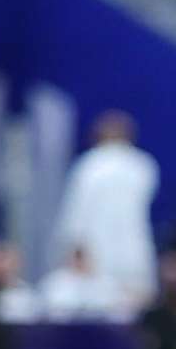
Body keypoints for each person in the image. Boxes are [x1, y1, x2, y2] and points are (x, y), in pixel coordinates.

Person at [56, 111, 158, 312]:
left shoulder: (89, 166)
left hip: (97, 250)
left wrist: (71, 246)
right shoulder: (144, 165)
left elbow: (76, 213)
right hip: (133, 250)